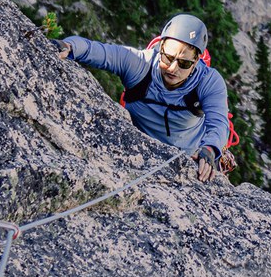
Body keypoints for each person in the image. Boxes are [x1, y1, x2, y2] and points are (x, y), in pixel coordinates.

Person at [54, 13, 231, 181]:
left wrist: (209, 150)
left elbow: (219, 122)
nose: (172, 69)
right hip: (135, 149)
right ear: (160, 47)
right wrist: (69, 47)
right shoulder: (141, 65)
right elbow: (98, 51)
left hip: (187, 158)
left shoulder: (208, 81)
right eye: (168, 57)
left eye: (184, 63)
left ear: (197, 61)